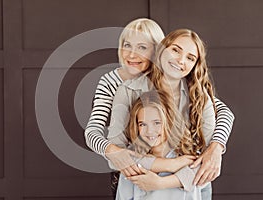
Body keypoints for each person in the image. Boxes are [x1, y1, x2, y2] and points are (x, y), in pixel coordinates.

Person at [83, 18, 234, 195]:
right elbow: (114, 151)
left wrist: (216, 147)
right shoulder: (120, 86)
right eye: (127, 45)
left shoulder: (197, 94)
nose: (132, 55)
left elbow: (224, 114)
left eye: (142, 47)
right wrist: (168, 165)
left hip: (188, 186)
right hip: (139, 182)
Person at [115, 89, 214, 199]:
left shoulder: (190, 158)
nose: (149, 131)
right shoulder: (131, 162)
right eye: (142, 124)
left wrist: (160, 183)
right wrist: (172, 164)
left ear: (170, 122)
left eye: (157, 123)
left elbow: (203, 186)